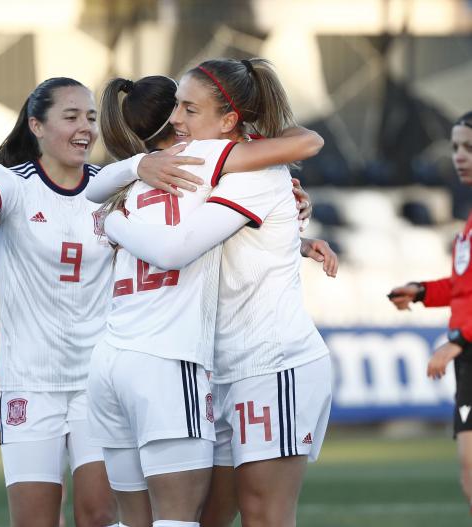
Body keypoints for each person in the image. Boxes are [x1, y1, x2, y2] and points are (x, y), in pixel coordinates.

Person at [87, 67, 334, 527]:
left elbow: (176, 248)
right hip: (214, 366)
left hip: (269, 361)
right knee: (203, 518)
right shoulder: (194, 164)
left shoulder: (250, 167)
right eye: (176, 104)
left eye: (189, 108)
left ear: (227, 121)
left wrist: (110, 222)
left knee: (264, 514)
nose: (175, 117)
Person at [0, 77, 119, 527]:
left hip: (97, 382)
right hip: (29, 384)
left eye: (90, 117)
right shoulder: (14, 183)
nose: (85, 127)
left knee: (99, 515)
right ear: (37, 126)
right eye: (71, 116)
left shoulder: (110, 185)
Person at [388, 111, 472, 513]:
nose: (460, 156)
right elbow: (462, 288)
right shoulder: (469, 222)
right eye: (456, 147)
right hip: (467, 355)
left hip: (467, 346)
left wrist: (457, 341)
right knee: (469, 469)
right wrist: (421, 291)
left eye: (469, 148)